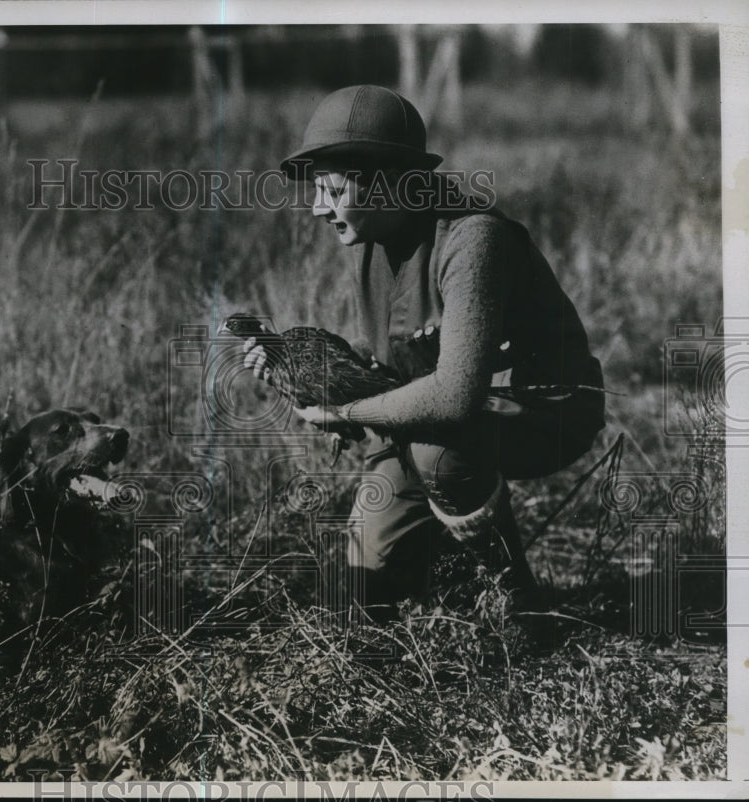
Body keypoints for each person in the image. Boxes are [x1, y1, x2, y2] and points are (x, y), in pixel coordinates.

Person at [242, 85, 606, 621]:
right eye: (317, 191)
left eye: (332, 189)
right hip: (438, 422)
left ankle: (518, 600)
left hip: (542, 411)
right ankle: (455, 565)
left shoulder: (472, 239)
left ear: (386, 179)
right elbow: (393, 357)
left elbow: (454, 398)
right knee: (359, 601)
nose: (318, 208)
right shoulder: (371, 239)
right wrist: (303, 366)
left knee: (440, 451)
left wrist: (345, 412)